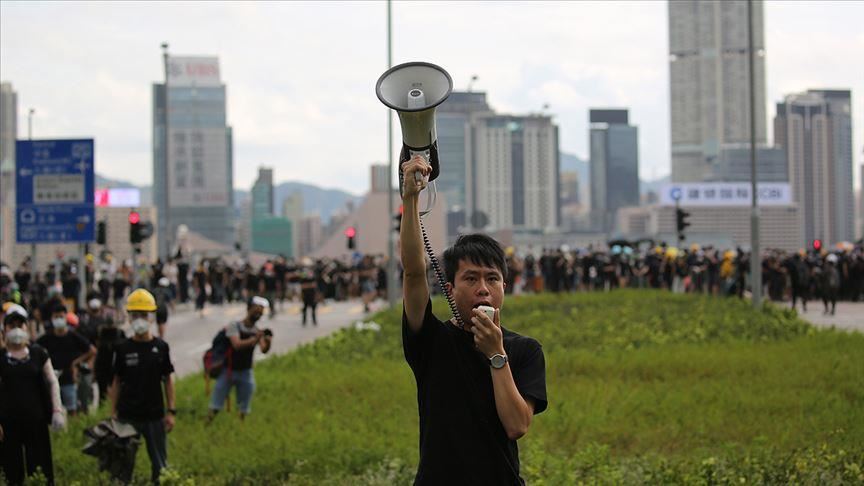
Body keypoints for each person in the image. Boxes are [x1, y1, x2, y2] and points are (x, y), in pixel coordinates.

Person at [399, 156, 547, 485]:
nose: (483, 289)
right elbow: (412, 271)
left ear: (504, 287)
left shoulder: (524, 350)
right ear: (450, 288)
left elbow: (517, 425)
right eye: (471, 279)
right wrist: (410, 198)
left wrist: (496, 354)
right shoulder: (430, 339)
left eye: (492, 279)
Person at [109, 288, 176, 484]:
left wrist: (171, 411)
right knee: (123, 468)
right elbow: (116, 382)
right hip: (127, 415)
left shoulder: (161, 347)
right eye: (135, 314)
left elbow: (168, 380)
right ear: (129, 317)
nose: (139, 319)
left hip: (155, 415)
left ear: (151, 317)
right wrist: (113, 412)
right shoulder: (122, 348)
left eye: (143, 315)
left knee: (160, 466)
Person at [1, 304, 66, 486]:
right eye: (11, 326)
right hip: (8, 424)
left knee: (40, 468)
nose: (16, 330)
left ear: (26, 327)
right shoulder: (1, 358)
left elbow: (52, 381)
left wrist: (57, 410)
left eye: (19, 325)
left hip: (36, 420)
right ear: (5, 330)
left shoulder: (38, 353)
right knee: (12, 471)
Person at [207, 296, 272, 422]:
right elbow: (236, 344)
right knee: (215, 405)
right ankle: (207, 424)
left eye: (260, 312)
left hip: (246, 372)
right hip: (228, 370)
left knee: (243, 408)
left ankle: (240, 427)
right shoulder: (234, 326)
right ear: (248, 309)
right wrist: (255, 339)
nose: (258, 314)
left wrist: (268, 341)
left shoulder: (256, 331)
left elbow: (264, 349)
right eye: (256, 311)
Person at [37, 303, 96, 416]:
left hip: (69, 378)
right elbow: (34, 350)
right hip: (51, 378)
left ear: (65, 318)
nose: (58, 320)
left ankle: (72, 432)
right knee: (52, 410)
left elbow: (92, 350)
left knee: (72, 409)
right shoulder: (46, 338)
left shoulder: (73, 336)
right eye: (56, 317)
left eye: (61, 317)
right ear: (52, 319)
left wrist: (76, 363)